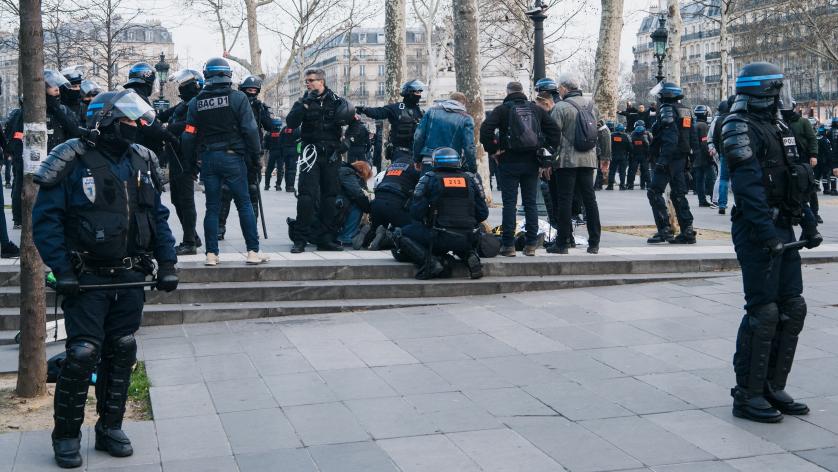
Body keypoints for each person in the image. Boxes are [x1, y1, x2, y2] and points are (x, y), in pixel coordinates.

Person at [32, 89, 179, 468]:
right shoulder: (70, 157)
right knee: (82, 354)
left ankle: (110, 427)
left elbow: (157, 217)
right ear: (105, 121)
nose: (133, 127)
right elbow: (46, 222)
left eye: (135, 121)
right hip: (87, 276)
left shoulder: (142, 159)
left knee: (123, 348)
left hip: (130, 273)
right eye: (126, 121)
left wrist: (167, 263)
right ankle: (66, 434)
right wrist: (61, 270)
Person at [723, 62, 822, 423]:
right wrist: (767, 236)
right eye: (778, 90)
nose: (784, 96)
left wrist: (808, 223)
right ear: (765, 91)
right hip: (756, 229)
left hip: (783, 227)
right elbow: (748, 190)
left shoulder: (778, 125)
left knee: (792, 306)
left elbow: (798, 180)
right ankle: (747, 394)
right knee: (762, 311)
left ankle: (773, 386)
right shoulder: (738, 126)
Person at [181, 57, 269, 266]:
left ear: (207, 75)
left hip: (209, 159)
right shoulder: (238, 98)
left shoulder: (196, 103)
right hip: (232, 158)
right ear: (228, 74)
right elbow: (250, 129)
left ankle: (212, 254)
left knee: (212, 207)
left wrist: (190, 162)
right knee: (244, 204)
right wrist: (256, 157)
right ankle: (252, 252)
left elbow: (188, 135)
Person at [480, 81, 560, 257]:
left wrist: (493, 150)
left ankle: (508, 245)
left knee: (509, 204)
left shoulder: (502, 110)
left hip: (508, 161)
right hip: (531, 162)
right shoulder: (535, 109)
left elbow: (485, 129)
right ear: (523, 92)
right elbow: (554, 131)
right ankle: (531, 244)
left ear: (507, 92)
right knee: (530, 202)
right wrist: (546, 152)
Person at [286, 68, 360, 253]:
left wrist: (347, 143)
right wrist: (303, 105)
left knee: (330, 197)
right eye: (307, 81)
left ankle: (326, 238)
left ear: (321, 81)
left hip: (331, 155)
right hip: (310, 155)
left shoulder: (337, 102)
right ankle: (300, 239)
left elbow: (355, 122)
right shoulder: (303, 101)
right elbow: (291, 123)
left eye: (311, 80)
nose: (308, 83)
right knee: (306, 197)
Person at [393, 147, 488, 280]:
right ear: (458, 162)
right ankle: (469, 255)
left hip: (439, 235)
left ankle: (431, 263)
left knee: (400, 233)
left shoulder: (429, 179)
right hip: (468, 236)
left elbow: (416, 214)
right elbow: (483, 213)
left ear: (435, 162)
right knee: (458, 235)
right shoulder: (471, 179)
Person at [7, 70, 82, 231]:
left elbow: (74, 130)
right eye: (51, 86)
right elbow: (17, 135)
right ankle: (21, 218)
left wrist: (56, 108)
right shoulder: (27, 112)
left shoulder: (62, 110)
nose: (56, 89)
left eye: (57, 86)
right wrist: (18, 155)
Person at [545, 72, 602, 254]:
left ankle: (563, 243)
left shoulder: (560, 107)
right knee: (589, 200)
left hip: (567, 161)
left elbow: (553, 136)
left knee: (565, 200)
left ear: (563, 88)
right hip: (589, 159)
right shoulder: (592, 105)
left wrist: (546, 161)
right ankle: (594, 242)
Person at [217, 75, 276, 237]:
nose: (251, 94)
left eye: (254, 91)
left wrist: (263, 112)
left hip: (252, 155)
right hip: (233, 152)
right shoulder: (231, 104)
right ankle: (219, 229)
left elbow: (271, 127)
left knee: (253, 192)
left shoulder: (259, 107)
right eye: (248, 91)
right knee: (226, 191)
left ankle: (252, 229)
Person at [158, 69, 204, 255]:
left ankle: (189, 242)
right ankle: (192, 235)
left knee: (186, 201)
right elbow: (160, 116)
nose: (181, 88)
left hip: (187, 158)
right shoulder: (183, 104)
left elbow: (188, 125)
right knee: (177, 199)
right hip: (176, 157)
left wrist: (167, 128)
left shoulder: (198, 104)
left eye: (184, 85)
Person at [646, 82, 698, 244]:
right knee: (678, 194)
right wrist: (690, 159)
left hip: (669, 158)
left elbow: (670, 138)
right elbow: (693, 138)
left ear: (665, 95)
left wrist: (662, 160)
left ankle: (664, 230)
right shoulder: (687, 110)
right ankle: (687, 230)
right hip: (682, 159)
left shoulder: (667, 109)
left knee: (654, 192)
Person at [356, 80, 424, 163]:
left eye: (420, 92)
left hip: (416, 153)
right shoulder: (396, 108)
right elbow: (379, 112)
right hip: (400, 153)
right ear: (409, 93)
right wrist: (365, 109)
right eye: (417, 92)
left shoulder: (420, 112)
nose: (419, 95)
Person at [367, 146, 421, 250]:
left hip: (376, 203)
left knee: (376, 230)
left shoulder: (393, 165)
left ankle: (368, 233)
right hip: (396, 205)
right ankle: (389, 236)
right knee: (410, 234)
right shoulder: (414, 165)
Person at [413, 92, 476, 173]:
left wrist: (417, 159)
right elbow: (469, 146)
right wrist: (472, 169)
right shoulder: (466, 118)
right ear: (463, 104)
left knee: (425, 184)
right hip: (452, 162)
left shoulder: (431, 111)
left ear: (449, 100)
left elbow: (418, 136)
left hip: (429, 159)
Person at [783, 101, 821, 223]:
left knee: (809, 186)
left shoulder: (802, 122)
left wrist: (813, 155)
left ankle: (814, 212)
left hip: (803, 158)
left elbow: (812, 139)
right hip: (787, 159)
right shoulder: (780, 122)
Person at [336, 160, 372, 247]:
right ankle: (346, 236)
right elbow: (357, 194)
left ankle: (351, 233)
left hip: (331, 208)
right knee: (358, 204)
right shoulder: (348, 173)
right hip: (336, 208)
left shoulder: (342, 170)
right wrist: (369, 209)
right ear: (361, 172)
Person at [709, 96, 734, 215]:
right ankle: (738, 204)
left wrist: (720, 151)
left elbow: (715, 138)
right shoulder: (738, 118)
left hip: (724, 152)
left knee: (723, 179)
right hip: (737, 153)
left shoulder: (719, 120)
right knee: (737, 178)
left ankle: (722, 204)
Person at [692, 105, 715, 207]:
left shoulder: (694, 125)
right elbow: (704, 143)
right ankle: (713, 198)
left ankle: (701, 200)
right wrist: (710, 156)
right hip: (704, 157)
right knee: (711, 177)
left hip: (696, 157)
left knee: (699, 179)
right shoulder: (704, 126)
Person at [627, 120, 652, 190]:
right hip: (644, 155)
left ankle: (630, 185)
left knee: (632, 170)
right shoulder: (648, 134)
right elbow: (651, 144)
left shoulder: (632, 134)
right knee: (645, 170)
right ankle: (646, 185)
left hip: (634, 155)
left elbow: (629, 145)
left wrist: (630, 154)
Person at [607, 123, 632, 190]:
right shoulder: (626, 136)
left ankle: (610, 185)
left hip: (614, 156)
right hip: (623, 156)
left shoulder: (611, 136)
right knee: (622, 172)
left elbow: (608, 145)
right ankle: (622, 185)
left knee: (612, 171)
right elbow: (630, 147)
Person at [263, 118, 284, 190]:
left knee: (269, 168)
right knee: (280, 169)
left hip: (272, 152)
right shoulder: (282, 132)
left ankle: (266, 185)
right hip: (281, 153)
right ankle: (278, 185)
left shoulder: (269, 133)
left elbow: (265, 144)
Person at [816, 125, 836, 195]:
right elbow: (828, 151)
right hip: (824, 160)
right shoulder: (825, 139)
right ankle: (826, 189)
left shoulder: (816, 138)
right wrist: (831, 160)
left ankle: (815, 187)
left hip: (817, 160)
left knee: (817, 175)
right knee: (825, 175)